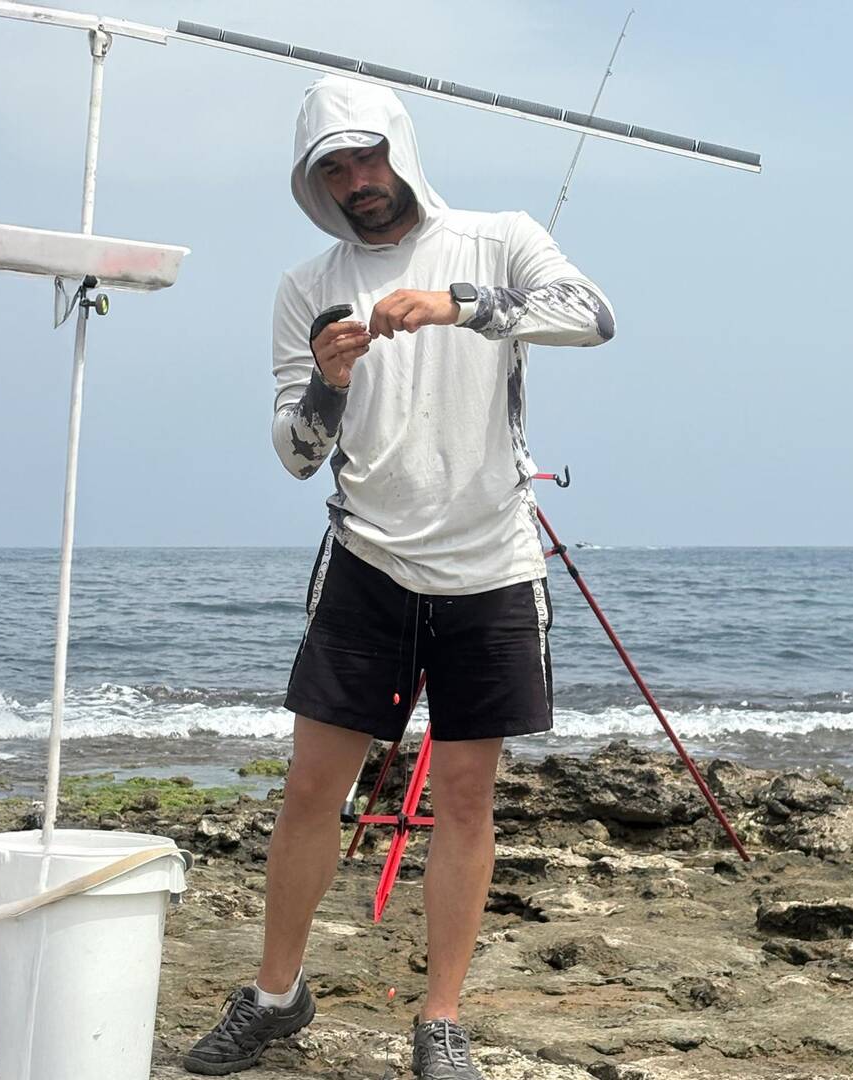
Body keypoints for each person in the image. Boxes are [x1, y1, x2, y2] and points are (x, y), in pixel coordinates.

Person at [183, 75, 615, 1080]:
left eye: (367, 158)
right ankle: (276, 994)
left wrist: (466, 307)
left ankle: (442, 1022)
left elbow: (592, 315)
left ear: (400, 150)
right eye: (333, 168)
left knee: (466, 799)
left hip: (493, 567)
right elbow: (295, 453)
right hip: (367, 564)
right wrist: (330, 383)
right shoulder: (306, 286)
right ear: (314, 181)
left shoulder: (495, 237)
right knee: (309, 790)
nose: (357, 182)